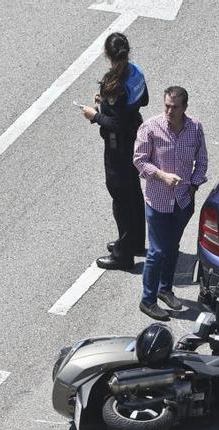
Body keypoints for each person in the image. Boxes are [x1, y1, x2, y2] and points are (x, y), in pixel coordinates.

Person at [133, 86, 208, 321]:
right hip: (158, 201)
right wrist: (162, 176)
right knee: (156, 252)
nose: (169, 111)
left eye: (175, 107)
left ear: (185, 107)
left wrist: (193, 185)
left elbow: (202, 161)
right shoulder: (151, 128)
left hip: (183, 201)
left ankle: (165, 289)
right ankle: (148, 300)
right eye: (166, 105)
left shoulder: (194, 128)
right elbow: (139, 161)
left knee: (172, 247)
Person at [81, 32, 149, 270]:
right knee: (133, 192)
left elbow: (116, 124)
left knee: (120, 197)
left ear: (107, 54)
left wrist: (95, 115)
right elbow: (145, 100)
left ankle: (124, 254)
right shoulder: (136, 72)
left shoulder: (114, 83)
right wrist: (107, 101)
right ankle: (136, 242)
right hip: (136, 137)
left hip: (118, 146)